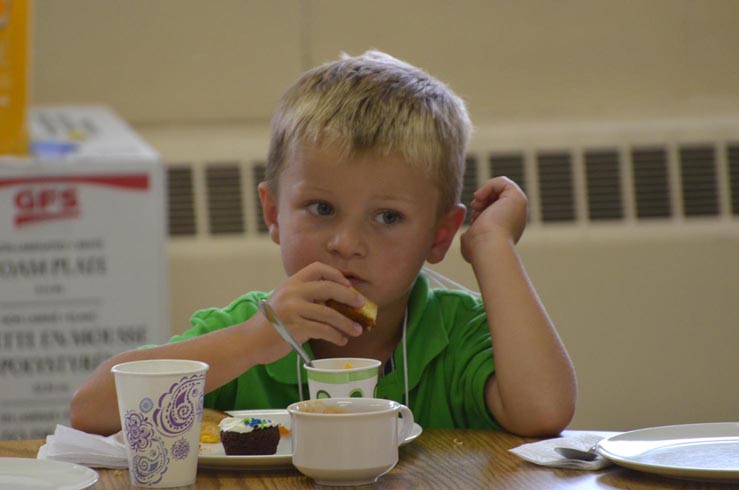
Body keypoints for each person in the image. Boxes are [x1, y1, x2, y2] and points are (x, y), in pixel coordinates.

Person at [70, 50, 576, 437]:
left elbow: (545, 412)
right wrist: (254, 340)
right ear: (273, 213)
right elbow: (91, 411)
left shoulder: (456, 331)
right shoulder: (250, 330)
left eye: (387, 216)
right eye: (321, 209)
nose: (346, 243)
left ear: (439, 234)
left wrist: (492, 246)